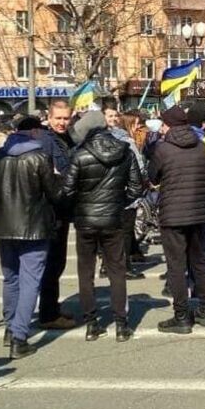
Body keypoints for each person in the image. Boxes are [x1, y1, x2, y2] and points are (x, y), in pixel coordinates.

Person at [59, 108, 145, 341]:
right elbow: (137, 187)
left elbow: (67, 191)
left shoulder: (79, 155)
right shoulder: (125, 151)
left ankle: (91, 324)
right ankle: (121, 324)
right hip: (113, 218)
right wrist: (119, 203)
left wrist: (79, 206)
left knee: (85, 273)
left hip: (85, 220)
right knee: (117, 271)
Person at [0, 116, 60, 358]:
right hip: (34, 226)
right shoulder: (39, 158)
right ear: (35, 132)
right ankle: (19, 336)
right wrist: (58, 178)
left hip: (4, 225)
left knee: (10, 278)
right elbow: (55, 194)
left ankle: (10, 327)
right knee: (30, 281)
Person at [149, 104, 205, 334]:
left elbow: (152, 176)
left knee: (176, 266)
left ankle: (181, 316)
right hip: (198, 212)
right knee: (199, 261)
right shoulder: (200, 146)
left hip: (173, 214)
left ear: (168, 125)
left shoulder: (163, 149)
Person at [34, 103, 81, 330]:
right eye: (58, 118)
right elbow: (49, 177)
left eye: (66, 118)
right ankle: (48, 313)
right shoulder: (45, 140)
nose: (62, 122)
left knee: (56, 262)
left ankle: (49, 308)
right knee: (51, 263)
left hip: (61, 209)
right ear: (49, 117)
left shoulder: (66, 139)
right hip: (49, 210)